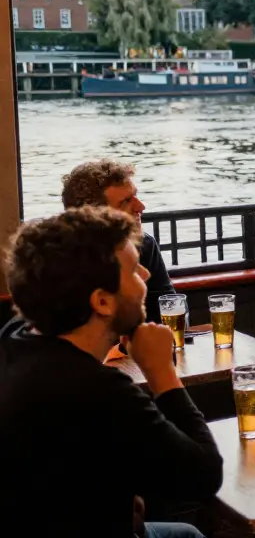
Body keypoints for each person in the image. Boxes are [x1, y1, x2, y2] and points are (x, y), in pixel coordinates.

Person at [0, 206, 223, 537]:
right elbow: (204, 476)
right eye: (133, 270)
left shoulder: (13, 340)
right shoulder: (97, 390)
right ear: (102, 302)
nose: (145, 275)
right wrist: (161, 370)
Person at [61, 159, 175, 322]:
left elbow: (168, 308)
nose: (141, 206)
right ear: (95, 216)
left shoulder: (144, 244)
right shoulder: (61, 260)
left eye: (135, 196)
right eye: (125, 201)